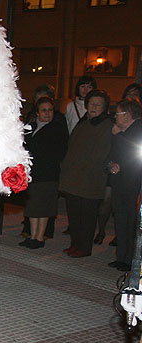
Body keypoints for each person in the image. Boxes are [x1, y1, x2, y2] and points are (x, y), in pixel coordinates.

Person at [59, 89, 112, 257]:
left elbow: (101, 154)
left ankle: (84, 247)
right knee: (74, 216)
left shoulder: (106, 126)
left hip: (90, 180)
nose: (94, 107)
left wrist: (82, 168)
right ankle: (75, 243)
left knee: (87, 218)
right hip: (73, 179)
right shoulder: (83, 122)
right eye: (91, 104)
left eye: (98, 104)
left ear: (104, 107)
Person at [21, 97, 68, 249]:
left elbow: (59, 152)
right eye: (44, 110)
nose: (47, 113)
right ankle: (32, 235)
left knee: (44, 206)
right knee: (33, 206)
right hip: (32, 173)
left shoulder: (57, 128)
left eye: (50, 110)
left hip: (48, 173)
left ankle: (40, 237)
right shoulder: (31, 127)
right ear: (37, 112)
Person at [105, 99, 142, 272]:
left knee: (132, 223)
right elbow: (111, 154)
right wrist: (111, 164)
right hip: (120, 184)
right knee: (120, 220)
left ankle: (130, 259)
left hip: (134, 185)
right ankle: (122, 257)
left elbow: (137, 158)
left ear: (127, 116)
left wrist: (122, 166)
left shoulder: (138, 131)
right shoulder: (122, 133)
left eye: (117, 114)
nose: (114, 117)